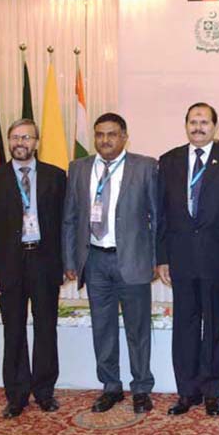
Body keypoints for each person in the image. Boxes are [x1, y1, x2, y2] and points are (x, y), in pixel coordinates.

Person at [62, 113, 157, 414]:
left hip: (132, 259)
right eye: (100, 134)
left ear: (125, 136)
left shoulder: (145, 166)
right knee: (102, 328)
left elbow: (158, 218)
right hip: (95, 261)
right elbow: (70, 218)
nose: (105, 140)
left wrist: (156, 259)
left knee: (137, 329)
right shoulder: (78, 168)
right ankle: (111, 387)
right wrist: (70, 259)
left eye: (112, 134)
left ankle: (141, 388)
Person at [157, 103, 219, 417]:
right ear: (185, 125)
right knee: (184, 326)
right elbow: (161, 214)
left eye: (204, 122)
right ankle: (186, 392)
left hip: (218, 257)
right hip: (180, 258)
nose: (198, 127)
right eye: (193, 122)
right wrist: (162, 257)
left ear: (215, 127)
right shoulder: (168, 161)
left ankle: (212, 392)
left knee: (215, 326)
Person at [0, 118, 66, 418]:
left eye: (26, 137)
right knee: (13, 330)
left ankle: (44, 391)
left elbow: (64, 224)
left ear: (36, 142)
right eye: (15, 137)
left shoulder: (56, 176)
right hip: (9, 267)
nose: (20, 143)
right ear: (8, 141)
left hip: (44, 262)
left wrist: (66, 263)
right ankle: (16, 395)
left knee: (46, 329)